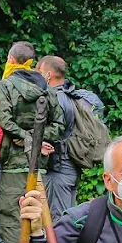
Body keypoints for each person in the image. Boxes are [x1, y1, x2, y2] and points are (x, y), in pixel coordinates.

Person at [0, 42, 63, 243]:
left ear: (11, 60)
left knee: (11, 220)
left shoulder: (5, 86)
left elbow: (4, 121)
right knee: (39, 218)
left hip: (13, 165)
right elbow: (59, 125)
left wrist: (26, 137)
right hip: (40, 163)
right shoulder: (46, 88)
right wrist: (36, 138)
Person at [40, 54, 104, 215]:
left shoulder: (54, 99)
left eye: (38, 71)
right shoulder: (74, 95)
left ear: (48, 74)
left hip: (57, 171)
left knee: (58, 221)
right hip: (71, 168)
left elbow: (52, 135)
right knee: (66, 216)